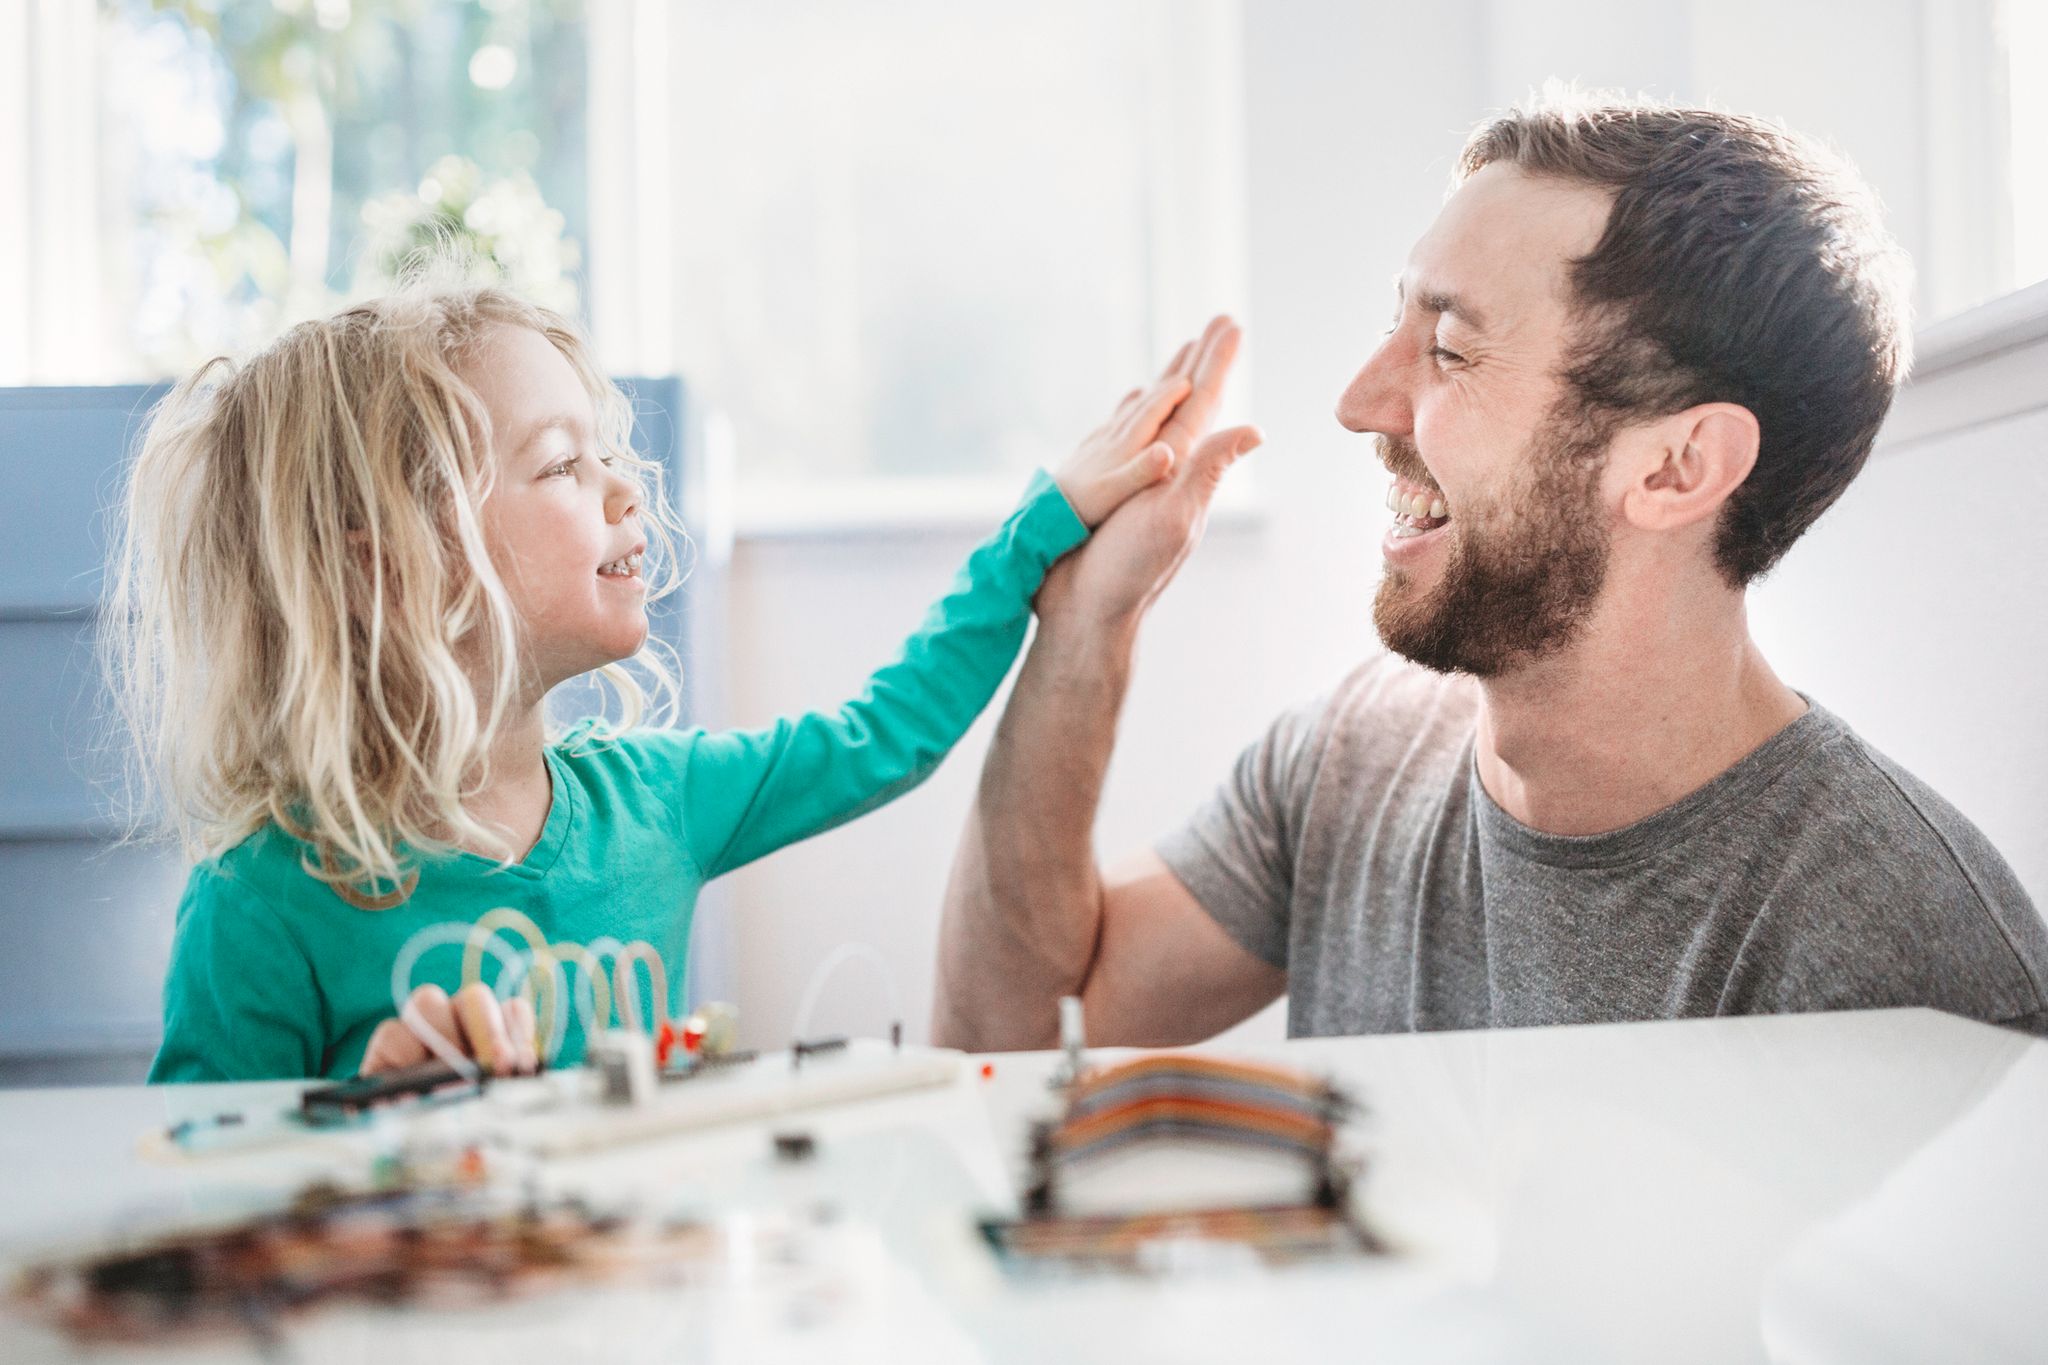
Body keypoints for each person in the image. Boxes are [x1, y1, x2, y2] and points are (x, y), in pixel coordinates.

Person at [932, 94, 2048, 1050]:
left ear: (1673, 468)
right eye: (1395, 325)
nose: (1358, 404)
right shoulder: (1355, 756)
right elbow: (1014, 1038)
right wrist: (1085, 624)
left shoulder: (1900, 963)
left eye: (1449, 349)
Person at [116, 271, 1258, 1081]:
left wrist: (1043, 526)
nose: (625, 488)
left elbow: (888, 733)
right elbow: (193, 1191)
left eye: (605, 451)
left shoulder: (655, 801)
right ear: (391, 566)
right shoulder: (262, 897)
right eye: (562, 464)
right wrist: (354, 1117)